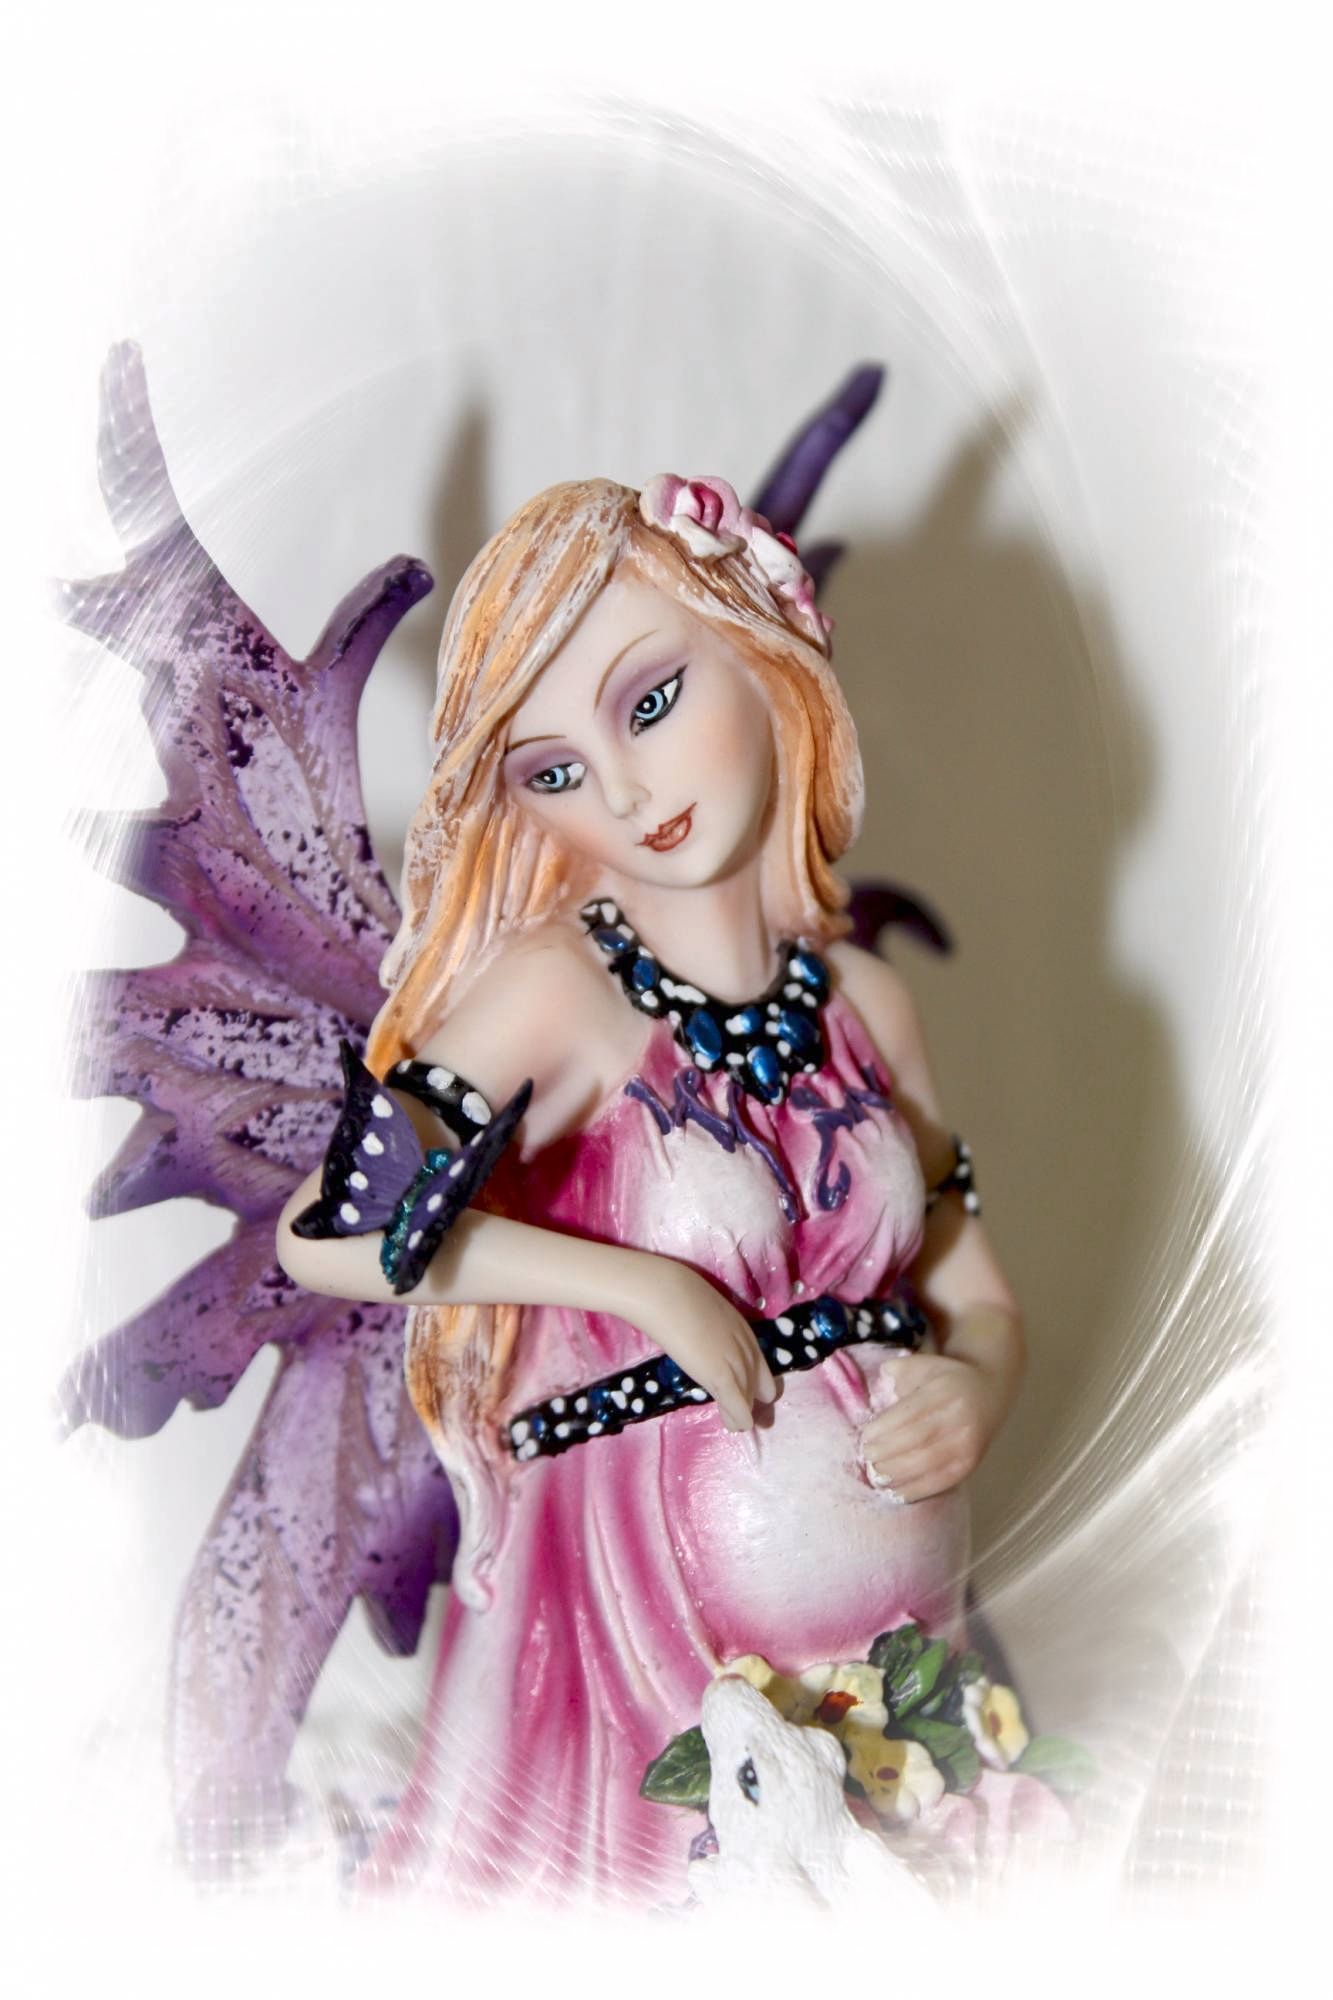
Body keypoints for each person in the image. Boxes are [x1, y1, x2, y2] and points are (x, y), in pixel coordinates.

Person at [276, 473, 1025, 1906]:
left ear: (759, 648)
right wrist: (639, 1285)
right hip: (630, 1674)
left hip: (897, 1693)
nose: (621, 792)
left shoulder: (867, 1004)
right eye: (551, 771)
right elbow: (334, 1232)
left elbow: (976, 1294)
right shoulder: (555, 993)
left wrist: (975, 1389)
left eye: (650, 703)